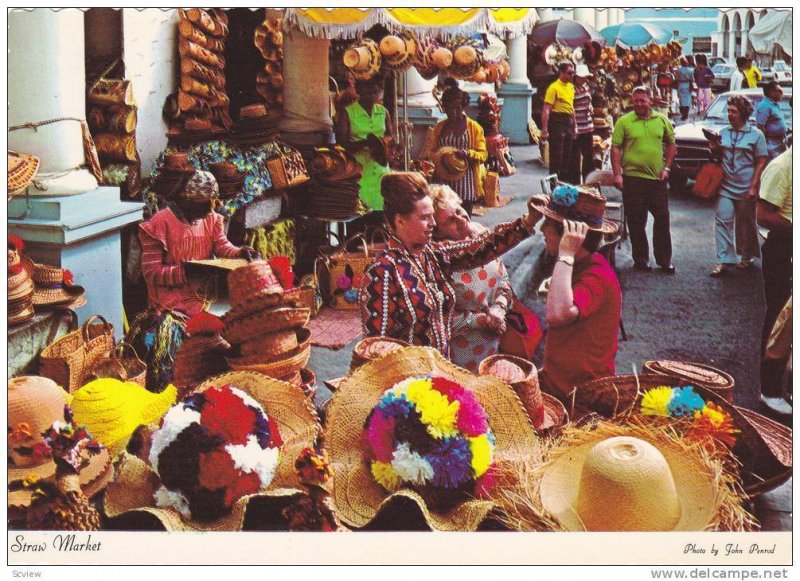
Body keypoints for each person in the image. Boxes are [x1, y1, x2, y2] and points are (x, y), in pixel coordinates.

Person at [358, 172, 538, 358]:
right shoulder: (383, 272)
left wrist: (528, 221)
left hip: (440, 369)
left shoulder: (431, 254)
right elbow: (375, 348)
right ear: (400, 220)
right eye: (425, 217)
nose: (433, 223)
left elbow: (479, 248)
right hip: (409, 380)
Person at [134, 169, 256, 391]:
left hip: (204, 292)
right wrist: (185, 273)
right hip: (171, 301)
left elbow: (222, 246)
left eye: (210, 203)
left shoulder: (209, 218)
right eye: (203, 204)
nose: (209, 209)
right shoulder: (159, 224)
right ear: (184, 198)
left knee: (242, 312)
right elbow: (151, 272)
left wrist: (240, 252)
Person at [528, 187, 622, 401]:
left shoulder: (597, 274)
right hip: (561, 383)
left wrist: (566, 253)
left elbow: (557, 315)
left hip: (580, 394)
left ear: (568, 234)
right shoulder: (581, 264)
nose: (542, 229)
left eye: (548, 224)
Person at [429, 184, 513, 372]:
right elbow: (438, 317)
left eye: (459, 211)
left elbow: (502, 278)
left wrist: (499, 308)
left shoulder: (480, 232)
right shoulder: (439, 259)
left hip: (497, 336)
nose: (461, 220)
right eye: (450, 220)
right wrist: (484, 321)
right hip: (463, 350)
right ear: (437, 232)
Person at [611, 86, 677, 273]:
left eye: (642, 100)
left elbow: (672, 145)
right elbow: (615, 148)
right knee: (636, 221)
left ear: (651, 101)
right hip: (632, 179)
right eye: (636, 101)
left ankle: (664, 261)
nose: (639, 104)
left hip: (657, 180)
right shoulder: (624, 121)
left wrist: (667, 168)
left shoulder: (662, 120)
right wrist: (617, 174)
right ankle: (641, 259)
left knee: (662, 218)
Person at [708, 95, 767, 277]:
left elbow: (761, 160)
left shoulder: (756, 135)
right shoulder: (724, 133)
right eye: (729, 111)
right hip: (726, 185)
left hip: (746, 185)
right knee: (722, 219)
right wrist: (715, 148)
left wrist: (754, 185)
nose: (730, 115)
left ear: (743, 113)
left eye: (734, 111)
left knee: (745, 223)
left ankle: (746, 256)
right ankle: (724, 259)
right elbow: (718, 157)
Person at [756, 146, 793, 414]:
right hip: (784, 249)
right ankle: (769, 390)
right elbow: (763, 215)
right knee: (781, 318)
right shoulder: (782, 166)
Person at [334, 78, 395, 211]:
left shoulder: (383, 112)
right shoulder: (347, 113)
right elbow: (342, 145)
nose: (372, 97)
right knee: (360, 213)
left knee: (382, 214)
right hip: (358, 172)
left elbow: (391, 136)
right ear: (358, 91)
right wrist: (366, 143)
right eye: (368, 93)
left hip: (381, 170)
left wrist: (384, 144)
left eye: (375, 93)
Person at [430, 78, 488, 216]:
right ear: (444, 108)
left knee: (463, 217)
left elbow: (483, 154)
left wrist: (468, 154)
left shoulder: (474, 128)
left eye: (457, 107)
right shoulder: (440, 127)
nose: (454, 112)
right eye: (449, 108)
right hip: (443, 182)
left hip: (466, 184)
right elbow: (432, 151)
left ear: (463, 107)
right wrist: (440, 158)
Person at [540, 61, 576, 181]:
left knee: (567, 155)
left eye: (573, 73)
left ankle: (564, 183)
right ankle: (554, 184)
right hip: (557, 121)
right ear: (561, 73)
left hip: (568, 121)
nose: (572, 76)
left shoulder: (571, 87)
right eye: (569, 73)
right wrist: (544, 130)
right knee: (557, 155)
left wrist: (575, 126)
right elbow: (546, 109)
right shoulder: (554, 88)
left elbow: (572, 107)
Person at [567, 64, 595, 184]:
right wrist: (574, 127)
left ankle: (589, 181)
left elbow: (589, 101)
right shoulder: (571, 88)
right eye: (581, 77)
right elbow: (570, 108)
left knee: (588, 156)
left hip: (588, 125)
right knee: (575, 157)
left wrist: (590, 107)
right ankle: (575, 182)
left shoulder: (586, 87)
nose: (583, 79)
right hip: (577, 126)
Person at [754, 81, 787, 160]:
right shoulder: (764, 105)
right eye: (779, 91)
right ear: (772, 92)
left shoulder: (774, 105)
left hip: (779, 144)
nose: (782, 93)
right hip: (771, 146)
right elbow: (760, 127)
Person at [674, 56, 695, 121]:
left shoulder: (678, 70)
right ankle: (686, 115)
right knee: (687, 100)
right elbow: (692, 79)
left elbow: (676, 79)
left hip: (680, 85)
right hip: (687, 85)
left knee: (682, 100)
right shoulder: (690, 70)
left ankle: (683, 115)